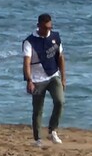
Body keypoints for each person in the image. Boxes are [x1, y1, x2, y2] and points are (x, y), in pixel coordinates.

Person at [22, 13, 66, 147]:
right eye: (45, 28)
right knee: (38, 109)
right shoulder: (30, 42)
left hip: (53, 75)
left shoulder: (55, 37)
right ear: (38, 26)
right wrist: (29, 80)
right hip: (37, 79)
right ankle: (38, 139)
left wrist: (63, 78)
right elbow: (26, 62)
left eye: (50, 27)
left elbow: (60, 57)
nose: (48, 30)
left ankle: (52, 130)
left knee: (60, 101)